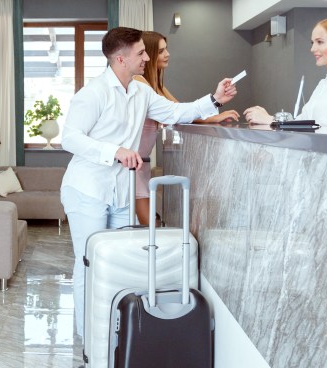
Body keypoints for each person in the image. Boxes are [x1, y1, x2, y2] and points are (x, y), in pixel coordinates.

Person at [60, 26, 238, 339]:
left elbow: (174, 112)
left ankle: (113, 338)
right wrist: (114, 151)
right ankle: (89, 340)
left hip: (122, 192)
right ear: (120, 58)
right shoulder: (93, 94)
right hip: (87, 190)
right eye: (141, 53)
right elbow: (70, 138)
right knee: (88, 263)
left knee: (117, 263)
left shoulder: (141, 92)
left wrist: (214, 99)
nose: (147, 58)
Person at [132, 31, 239, 225]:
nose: (167, 54)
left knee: (149, 225)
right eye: (162, 51)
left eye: (167, 49)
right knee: (149, 226)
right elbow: (174, 112)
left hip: (141, 162)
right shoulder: (139, 82)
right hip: (133, 161)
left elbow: (178, 110)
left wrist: (213, 116)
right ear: (148, 55)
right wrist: (214, 103)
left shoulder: (154, 84)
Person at [243, 17, 327, 129]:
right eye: (312, 43)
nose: (313, 49)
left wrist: (272, 120)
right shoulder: (324, 83)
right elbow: (301, 121)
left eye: (320, 42)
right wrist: (271, 119)